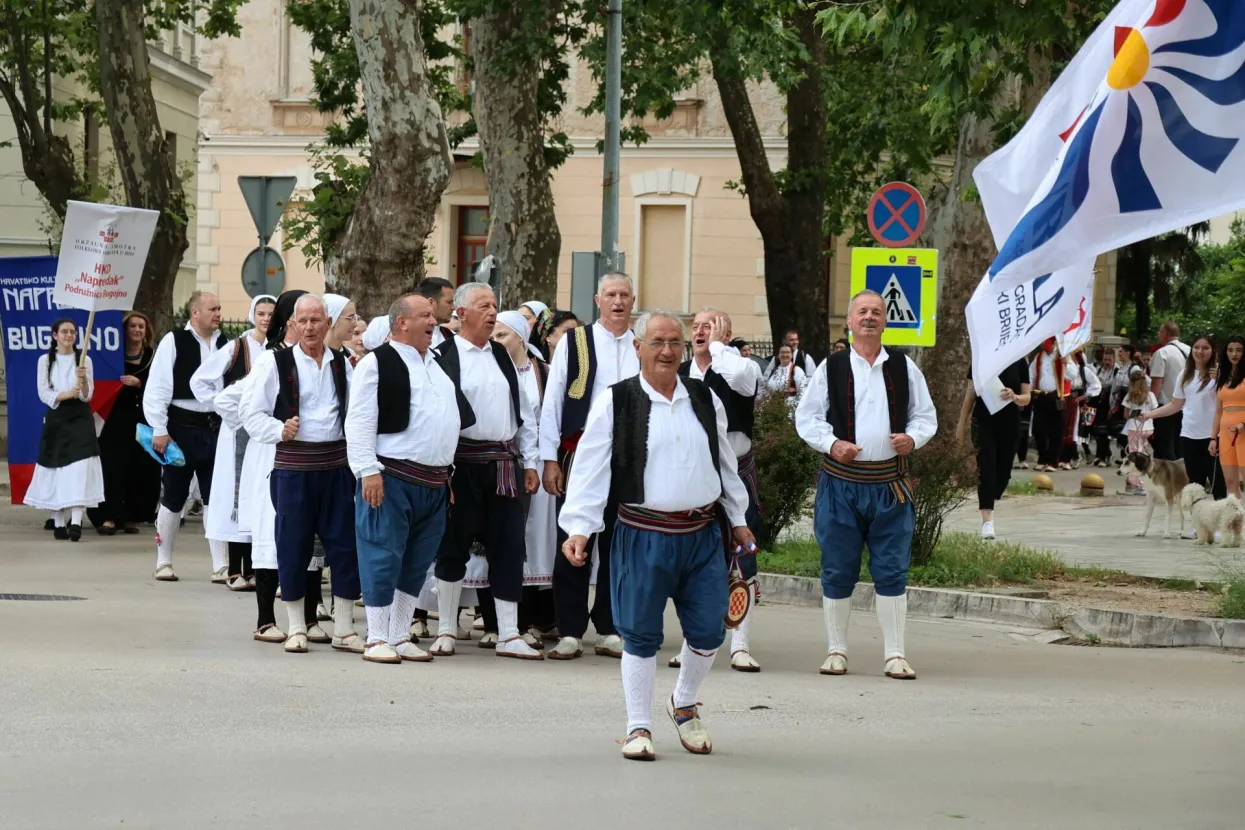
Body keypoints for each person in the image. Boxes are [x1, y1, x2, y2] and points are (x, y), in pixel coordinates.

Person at [559, 310, 755, 761]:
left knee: (710, 631)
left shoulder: (704, 398)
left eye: (674, 343)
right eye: (657, 342)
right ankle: (638, 726)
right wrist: (580, 528)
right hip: (642, 534)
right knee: (640, 634)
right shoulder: (616, 401)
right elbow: (589, 468)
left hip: (702, 535)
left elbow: (725, 464)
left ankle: (683, 703)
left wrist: (738, 517)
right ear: (638, 348)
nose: (667, 351)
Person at [795, 290, 937, 680]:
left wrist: (913, 438)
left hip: (890, 486)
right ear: (850, 321)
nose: (869, 317)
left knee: (892, 570)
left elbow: (925, 416)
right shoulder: (832, 367)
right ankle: (836, 651)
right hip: (841, 486)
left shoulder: (904, 367)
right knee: (837, 568)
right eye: (862, 312)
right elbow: (807, 417)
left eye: (876, 311)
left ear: (885, 321)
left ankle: (895, 655)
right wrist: (831, 444)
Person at [243, 294, 363, 654]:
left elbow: (357, 413)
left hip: (337, 468)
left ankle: (344, 628)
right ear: (293, 325)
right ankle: (296, 626)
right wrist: (279, 430)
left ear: (327, 324)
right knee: (293, 546)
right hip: (294, 469)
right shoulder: (274, 362)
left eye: (316, 320)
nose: (310, 327)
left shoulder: (343, 364)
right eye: (303, 321)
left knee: (345, 547)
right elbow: (251, 413)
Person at [428, 282, 542, 660]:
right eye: (484, 306)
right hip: (459, 466)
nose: (493, 312)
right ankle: (446, 628)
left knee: (508, 547)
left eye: (495, 305)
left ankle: (508, 634)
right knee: (452, 547)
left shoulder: (503, 356)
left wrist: (530, 462)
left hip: (503, 467)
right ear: (461, 313)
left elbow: (523, 413)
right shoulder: (441, 356)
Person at [346, 294, 459, 664]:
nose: (434, 321)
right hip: (391, 476)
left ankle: (399, 634)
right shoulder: (377, 362)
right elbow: (359, 420)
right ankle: (376, 636)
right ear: (401, 323)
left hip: (434, 481)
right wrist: (367, 470)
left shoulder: (437, 363)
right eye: (425, 315)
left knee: (416, 561)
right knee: (382, 554)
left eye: (433, 315)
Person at [539, 273, 640, 660]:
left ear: (633, 301)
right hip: (579, 452)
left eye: (624, 295)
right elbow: (554, 400)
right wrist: (550, 458)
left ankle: (610, 627)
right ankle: (570, 629)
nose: (618, 301)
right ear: (598, 301)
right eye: (611, 294)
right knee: (573, 536)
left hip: (630, 456)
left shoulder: (641, 344)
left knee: (621, 540)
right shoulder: (575, 341)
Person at [671, 308, 764, 672]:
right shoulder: (679, 373)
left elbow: (739, 378)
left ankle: (740, 644)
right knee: (691, 559)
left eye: (708, 326)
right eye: (695, 326)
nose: (699, 332)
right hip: (692, 476)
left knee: (743, 556)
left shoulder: (741, 367)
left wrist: (719, 348)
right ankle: (690, 643)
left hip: (736, 474)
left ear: (725, 333)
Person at [191, 295, 276, 591]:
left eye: (271, 314)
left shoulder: (278, 349)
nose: (266, 319)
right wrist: (227, 410)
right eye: (261, 313)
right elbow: (200, 381)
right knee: (235, 496)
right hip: (237, 432)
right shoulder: (237, 347)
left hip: (264, 433)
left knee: (257, 496)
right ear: (253, 315)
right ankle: (234, 569)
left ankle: (254, 568)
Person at [144, 291, 225, 582]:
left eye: (219, 309)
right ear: (195, 313)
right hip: (180, 427)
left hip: (216, 427)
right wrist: (159, 428)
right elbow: (157, 387)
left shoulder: (225, 343)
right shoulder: (174, 341)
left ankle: (221, 565)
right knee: (174, 496)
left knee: (216, 496)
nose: (218, 314)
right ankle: (163, 560)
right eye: (212, 309)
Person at [493, 310, 558, 641]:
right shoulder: (492, 368)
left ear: (520, 337)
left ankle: (539, 616)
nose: (496, 341)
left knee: (538, 538)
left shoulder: (544, 372)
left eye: (502, 335)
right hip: (503, 463)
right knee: (507, 537)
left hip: (536, 463)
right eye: (494, 336)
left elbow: (551, 419)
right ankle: (505, 621)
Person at [24, 318, 104, 540]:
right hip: (57, 416)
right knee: (55, 467)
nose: (69, 335)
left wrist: (83, 381)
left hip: (80, 417)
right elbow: (43, 392)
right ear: (55, 335)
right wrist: (66, 394)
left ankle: (76, 521)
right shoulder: (45, 361)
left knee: (80, 467)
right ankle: (58, 522)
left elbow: (88, 395)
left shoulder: (84, 359)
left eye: (73, 332)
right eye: (65, 331)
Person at [89, 311, 161, 534]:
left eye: (141, 326)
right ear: (124, 330)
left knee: (140, 467)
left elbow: (162, 385)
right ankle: (109, 516)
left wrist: (139, 383)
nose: (137, 330)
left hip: (142, 417)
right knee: (111, 465)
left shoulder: (153, 356)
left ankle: (132, 517)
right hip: (114, 417)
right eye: (132, 326)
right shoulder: (112, 355)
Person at [1140, 334, 1217, 530]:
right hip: (1189, 435)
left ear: (1213, 351)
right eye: (1197, 347)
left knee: (1218, 483)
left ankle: (1220, 526)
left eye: (1205, 348)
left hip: (1213, 436)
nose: (1200, 351)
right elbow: (1175, 404)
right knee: (1195, 484)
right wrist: (1150, 414)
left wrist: (1220, 380)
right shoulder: (1184, 375)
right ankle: (1198, 526)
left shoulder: (1219, 374)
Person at [957, 360, 1031, 539]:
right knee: (986, 468)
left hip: (1010, 423)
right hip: (983, 421)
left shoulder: (1019, 361)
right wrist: (961, 424)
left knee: (1003, 472)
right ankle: (987, 520)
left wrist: (1015, 397)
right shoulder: (980, 359)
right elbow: (970, 395)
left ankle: (991, 496)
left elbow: (1027, 397)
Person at [1149, 321, 1191, 460]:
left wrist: (1151, 408)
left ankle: (1168, 473)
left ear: (1164, 334)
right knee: (1181, 447)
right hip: (1187, 407)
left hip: (1165, 407)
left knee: (1164, 447)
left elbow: (1157, 383)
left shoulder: (1162, 353)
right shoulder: (1190, 351)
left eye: (1160, 331)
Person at [1211, 336, 1245, 497]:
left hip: (1243, 431)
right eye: (1230, 350)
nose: (1234, 354)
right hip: (1225, 433)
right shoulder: (1222, 377)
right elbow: (1218, 410)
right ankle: (1234, 513)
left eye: (1239, 350)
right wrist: (1213, 438)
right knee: (1230, 481)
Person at [1028, 338, 1065, 473]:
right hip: (1040, 396)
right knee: (1039, 429)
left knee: (1056, 431)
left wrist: (1066, 363)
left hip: (1056, 397)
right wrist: (1028, 391)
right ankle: (1042, 459)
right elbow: (1032, 375)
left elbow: (1072, 375)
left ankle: (1052, 461)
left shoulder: (1062, 355)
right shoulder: (1039, 357)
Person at [1060, 351, 1101, 470]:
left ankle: (1073, 456)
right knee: (1062, 428)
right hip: (1064, 400)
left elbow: (1096, 385)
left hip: (1076, 403)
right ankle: (1065, 458)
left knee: (1073, 430)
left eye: (1073, 355)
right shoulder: (1063, 368)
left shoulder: (1083, 370)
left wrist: (1084, 396)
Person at [1122, 372, 1158, 496]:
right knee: (1144, 453)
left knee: (1134, 457)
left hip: (1134, 428)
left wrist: (1134, 415)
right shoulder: (1150, 395)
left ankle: (1137, 484)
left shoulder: (1129, 396)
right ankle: (1139, 481)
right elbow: (1155, 410)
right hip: (1148, 428)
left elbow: (1126, 415)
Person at [1092, 349, 1128, 467]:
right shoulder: (1099, 370)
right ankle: (1102, 455)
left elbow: (1118, 388)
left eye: (1109, 360)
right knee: (1100, 430)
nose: (1107, 362)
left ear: (1114, 360)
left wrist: (1113, 406)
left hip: (1113, 403)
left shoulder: (1117, 371)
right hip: (1101, 403)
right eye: (1105, 359)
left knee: (1116, 429)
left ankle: (1124, 456)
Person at [418, 277, 456, 347]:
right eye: (449, 302)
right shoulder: (409, 336)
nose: (453, 308)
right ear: (431, 302)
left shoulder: (450, 336)